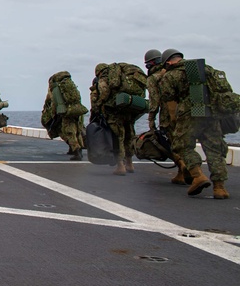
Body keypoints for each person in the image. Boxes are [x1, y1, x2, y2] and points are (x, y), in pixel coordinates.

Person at [158, 49, 229, 199]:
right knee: (214, 149)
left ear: (168, 62)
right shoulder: (206, 69)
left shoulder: (171, 75)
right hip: (211, 114)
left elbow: (167, 96)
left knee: (182, 145)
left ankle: (198, 176)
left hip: (189, 114)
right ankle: (219, 188)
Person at [144, 49, 192, 185]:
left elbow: (154, 102)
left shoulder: (154, 78)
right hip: (186, 113)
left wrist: (151, 121)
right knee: (184, 143)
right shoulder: (177, 72)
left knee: (172, 144)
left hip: (168, 116)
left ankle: (183, 167)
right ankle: (181, 173)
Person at [91, 62, 147, 175]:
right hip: (128, 109)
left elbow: (104, 91)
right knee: (129, 135)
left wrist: (99, 104)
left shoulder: (105, 76)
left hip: (114, 111)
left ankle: (120, 166)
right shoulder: (123, 76)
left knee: (117, 137)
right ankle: (130, 164)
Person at [42, 71, 88, 160]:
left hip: (66, 112)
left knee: (68, 131)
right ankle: (76, 148)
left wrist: (54, 113)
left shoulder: (56, 88)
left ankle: (76, 151)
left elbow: (54, 102)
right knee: (77, 130)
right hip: (76, 110)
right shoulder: (70, 86)